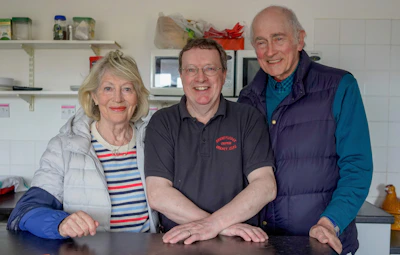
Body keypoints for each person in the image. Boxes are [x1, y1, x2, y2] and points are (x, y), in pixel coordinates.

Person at [238, 5, 373, 255]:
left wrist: (329, 223)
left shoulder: (339, 87)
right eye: (261, 42)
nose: (270, 51)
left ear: (300, 39)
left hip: (318, 243)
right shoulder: (247, 98)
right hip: (259, 244)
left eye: (278, 38)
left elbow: (357, 167)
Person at [7, 50, 158, 239]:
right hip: (87, 251)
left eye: (127, 89)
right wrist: (60, 222)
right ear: (94, 96)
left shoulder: (153, 142)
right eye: (108, 88)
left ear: (137, 97)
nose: (118, 98)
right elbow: (25, 211)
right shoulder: (64, 147)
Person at [144, 38, 277, 245]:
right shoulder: (162, 122)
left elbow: (265, 185)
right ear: (181, 76)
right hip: (180, 242)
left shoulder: (249, 118)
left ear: (224, 74)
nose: (200, 78)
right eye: (191, 70)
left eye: (210, 69)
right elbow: (158, 194)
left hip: (240, 244)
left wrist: (214, 225)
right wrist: (220, 225)